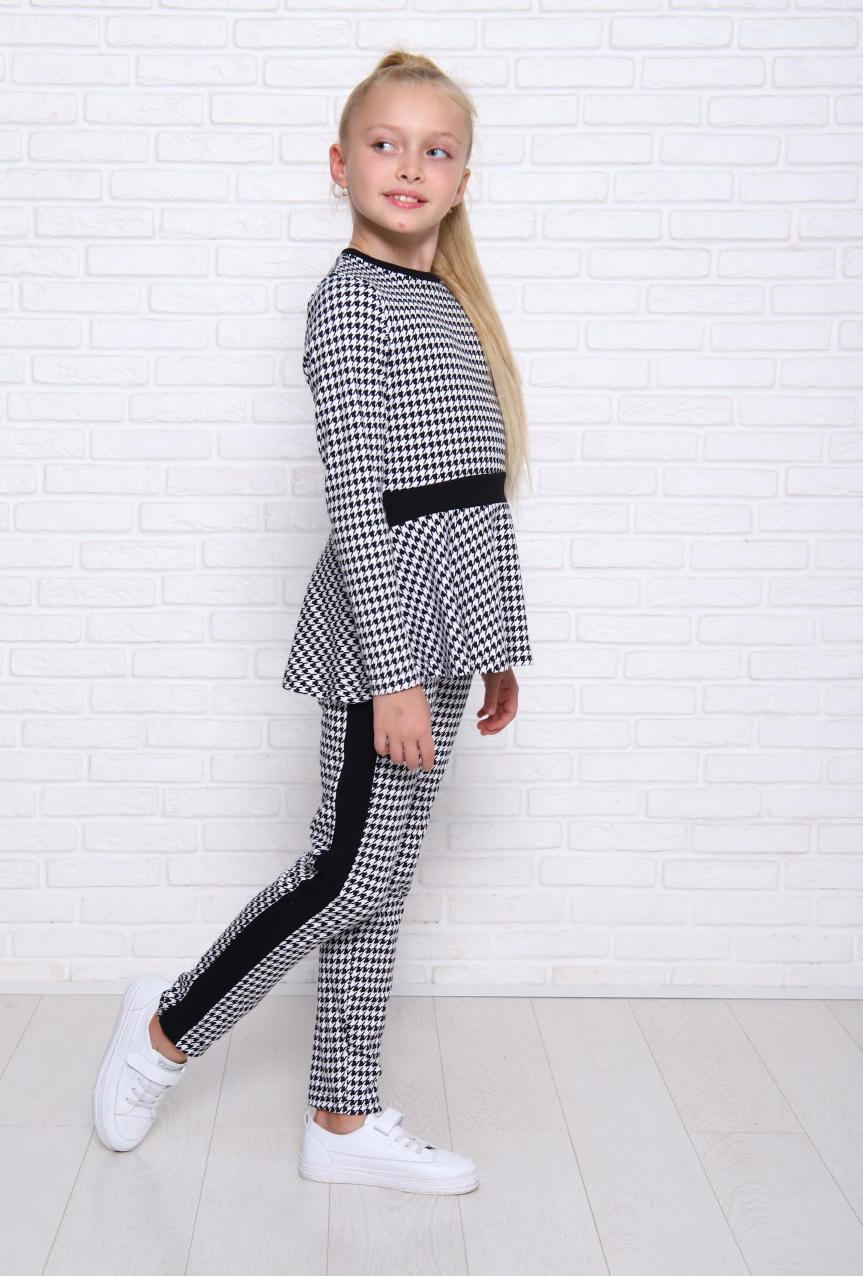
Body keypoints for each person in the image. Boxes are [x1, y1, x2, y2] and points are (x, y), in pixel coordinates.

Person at [93, 47, 533, 1196]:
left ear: (464, 179)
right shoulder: (348, 302)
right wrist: (395, 672)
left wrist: (489, 641)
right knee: (346, 870)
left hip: (445, 626)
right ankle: (165, 1029)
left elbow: (469, 488)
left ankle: (342, 1117)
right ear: (340, 165)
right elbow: (359, 499)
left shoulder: (449, 303)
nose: (410, 166)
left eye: (436, 150)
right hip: (383, 634)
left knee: (380, 878)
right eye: (386, 144)